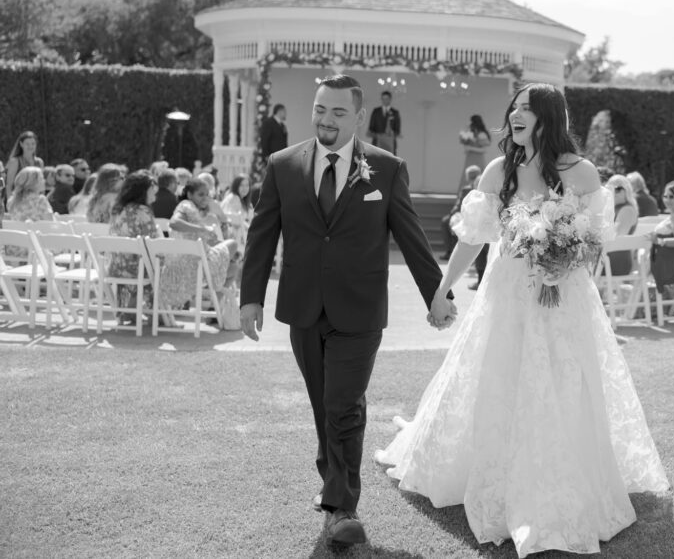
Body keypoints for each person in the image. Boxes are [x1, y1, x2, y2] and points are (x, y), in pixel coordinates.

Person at [375, 83, 669, 558]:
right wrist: (441, 286)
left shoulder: (582, 171)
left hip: (565, 299)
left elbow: (594, 240)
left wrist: (566, 261)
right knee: (499, 376)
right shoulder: (500, 170)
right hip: (507, 294)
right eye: (514, 106)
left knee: (564, 379)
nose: (516, 113)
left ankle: (561, 475)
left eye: (528, 109)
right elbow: (472, 238)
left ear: (548, 118)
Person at [239, 73, 451, 549]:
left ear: (358, 117)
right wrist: (251, 295)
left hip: (359, 310)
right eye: (320, 109)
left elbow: (412, 238)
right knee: (324, 405)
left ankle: (342, 508)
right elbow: (262, 232)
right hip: (303, 308)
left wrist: (436, 295)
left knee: (343, 405)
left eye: (338, 112)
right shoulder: (283, 164)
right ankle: (333, 479)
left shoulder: (387, 169)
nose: (326, 119)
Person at [160, 178, 239, 316]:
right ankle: (215, 307)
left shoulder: (195, 210)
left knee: (233, 268)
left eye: (207, 194)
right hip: (191, 265)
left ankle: (214, 308)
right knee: (233, 244)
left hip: (196, 263)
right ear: (190, 195)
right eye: (201, 194)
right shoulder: (185, 205)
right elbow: (174, 222)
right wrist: (201, 229)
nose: (205, 198)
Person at [107, 171, 167, 325]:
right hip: (137, 268)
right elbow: (154, 244)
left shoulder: (119, 209)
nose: (155, 191)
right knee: (167, 264)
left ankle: (129, 310)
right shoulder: (142, 211)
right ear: (142, 191)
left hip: (116, 266)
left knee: (149, 261)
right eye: (152, 188)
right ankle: (159, 314)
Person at [440, 165, 481, 261]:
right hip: (463, 215)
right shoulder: (465, 189)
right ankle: (450, 251)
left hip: (476, 216)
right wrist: (452, 214)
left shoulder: (482, 187)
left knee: (453, 223)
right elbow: (458, 205)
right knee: (446, 221)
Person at [605, 173, 639, 276]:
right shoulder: (612, 209)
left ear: (627, 190)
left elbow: (617, 236)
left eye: (618, 189)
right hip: (607, 258)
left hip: (616, 261)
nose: (613, 192)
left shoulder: (627, 210)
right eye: (609, 188)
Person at [5, 131, 44, 207]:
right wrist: (10, 203)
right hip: (17, 202)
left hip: (34, 202)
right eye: (27, 144)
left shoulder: (39, 162)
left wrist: (41, 202)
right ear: (21, 144)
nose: (30, 146)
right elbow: (8, 185)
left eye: (33, 143)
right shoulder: (15, 161)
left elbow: (40, 183)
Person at [457, 114, 491, 189]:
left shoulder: (482, 134)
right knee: (467, 178)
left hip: (477, 159)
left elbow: (484, 150)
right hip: (470, 159)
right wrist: (466, 129)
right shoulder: (471, 133)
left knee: (477, 177)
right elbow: (463, 138)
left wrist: (470, 148)